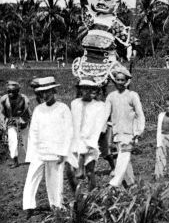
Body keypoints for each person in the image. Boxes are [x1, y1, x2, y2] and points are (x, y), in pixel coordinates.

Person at [23, 77, 73, 216]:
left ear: (54, 91)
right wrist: (32, 153)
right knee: (32, 177)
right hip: (39, 150)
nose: (45, 95)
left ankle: (56, 205)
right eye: (42, 93)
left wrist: (64, 151)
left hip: (56, 151)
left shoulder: (63, 108)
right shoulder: (39, 109)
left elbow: (68, 131)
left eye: (48, 92)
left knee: (55, 179)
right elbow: (33, 131)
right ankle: (29, 206)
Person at [106, 67, 146, 187]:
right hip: (117, 132)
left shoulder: (132, 95)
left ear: (126, 81)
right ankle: (131, 183)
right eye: (118, 80)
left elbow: (140, 113)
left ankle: (118, 183)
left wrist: (139, 130)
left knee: (123, 157)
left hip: (129, 133)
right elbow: (105, 114)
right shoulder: (111, 97)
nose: (120, 82)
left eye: (122, 80)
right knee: (124, 158)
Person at [66, 78, 107, 191]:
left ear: (95, 90)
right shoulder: (75, 103)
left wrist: (90, 143)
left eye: (90, 89)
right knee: (69, 170)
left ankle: (91, 194)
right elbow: (72, 123)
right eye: (84, 89)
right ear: (80, 90)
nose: (87, 91)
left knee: (89, 172)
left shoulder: (100, 106)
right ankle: (76, 195)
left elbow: (99, 127)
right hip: (75, 142)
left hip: (90, 142)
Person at [1, 81, 31, 168]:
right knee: (12, 140)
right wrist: (3, 121)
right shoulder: (3, 99)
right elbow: (1, 112)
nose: (10, 94)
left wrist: (25, 120)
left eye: (13, 92)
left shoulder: (24, 99)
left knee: (27, 140)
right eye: (9, 91)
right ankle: (15, 160)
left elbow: (28, 111)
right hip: (11, 121)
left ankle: (31, 159)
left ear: (18, 91)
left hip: (23, 120)